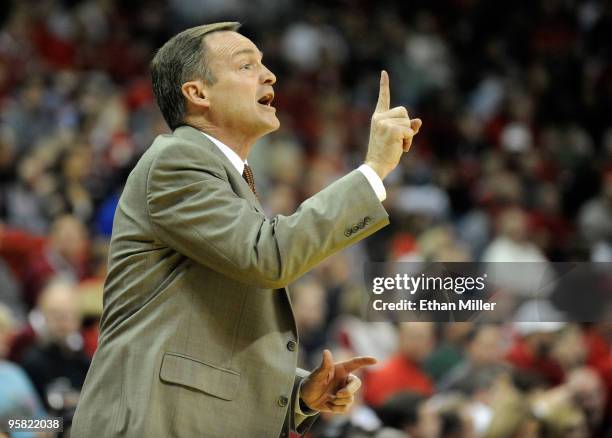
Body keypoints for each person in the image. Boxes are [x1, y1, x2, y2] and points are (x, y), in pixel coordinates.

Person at [71, 22, 422, 438]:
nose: (269, 74)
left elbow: (208, 336)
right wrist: (373, 172)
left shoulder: (226, 176)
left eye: (264, 63)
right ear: (198, 93)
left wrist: (298, 395)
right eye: (246, 65)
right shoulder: (177, 159)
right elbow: (267, 256)